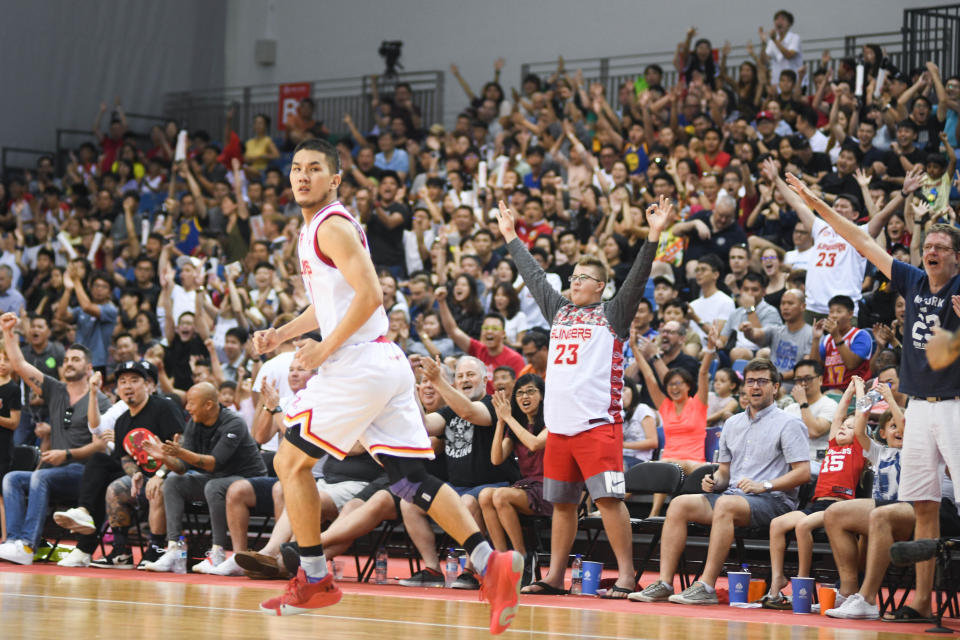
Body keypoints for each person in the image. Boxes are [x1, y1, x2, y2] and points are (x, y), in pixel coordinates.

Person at [250, 139, 521, 634]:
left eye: (314, 169)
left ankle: (314, 576)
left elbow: (372, 294)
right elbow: (334, 303)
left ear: (334, 179)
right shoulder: (317, 228)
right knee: (408, 480)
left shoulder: (330, 225)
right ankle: (489, 562)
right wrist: (284, 336)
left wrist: (322, 351)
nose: (302, 176)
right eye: (295, 168)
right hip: (381, 363)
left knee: (290, 461)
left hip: (358, 364)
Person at [787, 173, 960, 621]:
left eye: (941, 247)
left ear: (957, 258)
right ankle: (922, 601)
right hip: (919, 406)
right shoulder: (914, 281)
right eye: (929, 246)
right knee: (923, 505)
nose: (931, 252)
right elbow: (861, 241)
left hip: (957, 404)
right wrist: (815, 202)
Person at [496, 195, 668, 599]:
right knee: (562, 504)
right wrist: (511, 238)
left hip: (597, 426)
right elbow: (535, 276)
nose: (573, 281)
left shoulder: (613, 312)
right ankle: (555, 576)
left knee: (608, 500)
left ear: (601, 286)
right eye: (572, 275)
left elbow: (638, 277)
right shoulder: (559, 312)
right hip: (559, 427)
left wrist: (652, 236)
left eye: (583, 277)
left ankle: (627, 576)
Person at [629, 358, 810, 605]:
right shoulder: (732, 424)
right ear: (743, 387)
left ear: (776, 387)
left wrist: (765, 485)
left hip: (774, 501)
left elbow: (802, 473)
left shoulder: (789, 423)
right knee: (680, 504)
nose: (755, 387)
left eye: (762, 381)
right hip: (734, 497)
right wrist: (714, 482)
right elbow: (724, 473)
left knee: (726, 505)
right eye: (750, 382)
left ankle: (706, 585)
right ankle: (664, 583)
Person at [0, 314, 111, 566]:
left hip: (84, 473)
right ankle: (14, 541)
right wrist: (8, 332)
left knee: (40, 476)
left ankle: (28, 545)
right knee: (12, 478)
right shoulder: (55, 389)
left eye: (76, 359)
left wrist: (67, 454)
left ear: (89, 368)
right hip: (56, 472)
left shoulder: (100, 400)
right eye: (67, 359)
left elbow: (102, 445)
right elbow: (19, 364)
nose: (69, 363)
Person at [51, 361, 185, 568]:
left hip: (174, 473)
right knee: (115, 488)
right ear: (117, 389)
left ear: (147, 384)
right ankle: (121, 552)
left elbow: (181, 444)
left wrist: (160, 474)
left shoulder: (164, 407)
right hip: (145, 474)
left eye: (134, 380)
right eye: (122, 382)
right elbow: (124, 458)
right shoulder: (122, 420)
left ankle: (156, 549)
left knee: (157, 488)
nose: (128, 386)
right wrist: (134, 474)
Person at [762, 378, 868, 608]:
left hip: (838, 506)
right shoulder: (833, 445)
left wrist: (859, 390)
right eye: (842, 426)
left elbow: (860, 419)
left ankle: (803, 584)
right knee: (777, 525)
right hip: (817, 504)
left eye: (850, 428)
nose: (843, 428)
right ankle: (777, 580)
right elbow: (839, 416)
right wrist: (847, 391)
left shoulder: (858, 449)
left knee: (802, 526)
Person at [139, 382, 266, 573]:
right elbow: (182, 468)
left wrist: (180, 452)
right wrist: (166, 458)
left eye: (191, 403)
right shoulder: (194, 423)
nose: (187, 407)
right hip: (217, 480)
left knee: (214, 486)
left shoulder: (234, 422)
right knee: (173, 480)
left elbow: (214, 463)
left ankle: (218, 553)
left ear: (208, 405)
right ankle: (176, 550)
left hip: (250, 481)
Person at [636, 325, 717, 517]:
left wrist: (711, 349)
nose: (674, 388)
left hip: (694, 463)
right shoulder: (666, 406)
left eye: (678, 383)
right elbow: (649, 377)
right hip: (669, 462)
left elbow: (704, 373)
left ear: (688, 386)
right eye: (670, 384)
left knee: (667, 464)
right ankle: (651, 514)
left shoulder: (698, 404)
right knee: (662, 465)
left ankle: (654, 512)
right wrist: (633, 348)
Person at [480, 374, 550, 585]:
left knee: (500, 495)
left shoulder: (553, 422)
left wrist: (509, 418)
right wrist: (501, 422)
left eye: (530, 391)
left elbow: (534, 444)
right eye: (519, 393)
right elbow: (496, 458)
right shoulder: (515, 425)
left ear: (542, 396)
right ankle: (502, 559)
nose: (524, 396)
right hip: (527, 487)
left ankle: (522, 557)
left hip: (549, 489)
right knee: (485, 495)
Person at [783, 359, 839, 477]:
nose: (803, 383)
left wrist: (803, 402)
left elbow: (814, 431)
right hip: (791, 461)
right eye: (799, 380)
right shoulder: (789, 409)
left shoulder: (830, 404)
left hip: (817, 462)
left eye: (808, 378)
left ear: (820, 380)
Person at [808, 295, 872, 390]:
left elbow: (851, 364)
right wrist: (816, 339)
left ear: (850, 314)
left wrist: (836, 336)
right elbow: (814, 369)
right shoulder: (826, 339)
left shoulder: (860, 335)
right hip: (827, 390)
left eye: (839, 311)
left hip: (852, 390)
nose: (834, 315)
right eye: (831, 312)